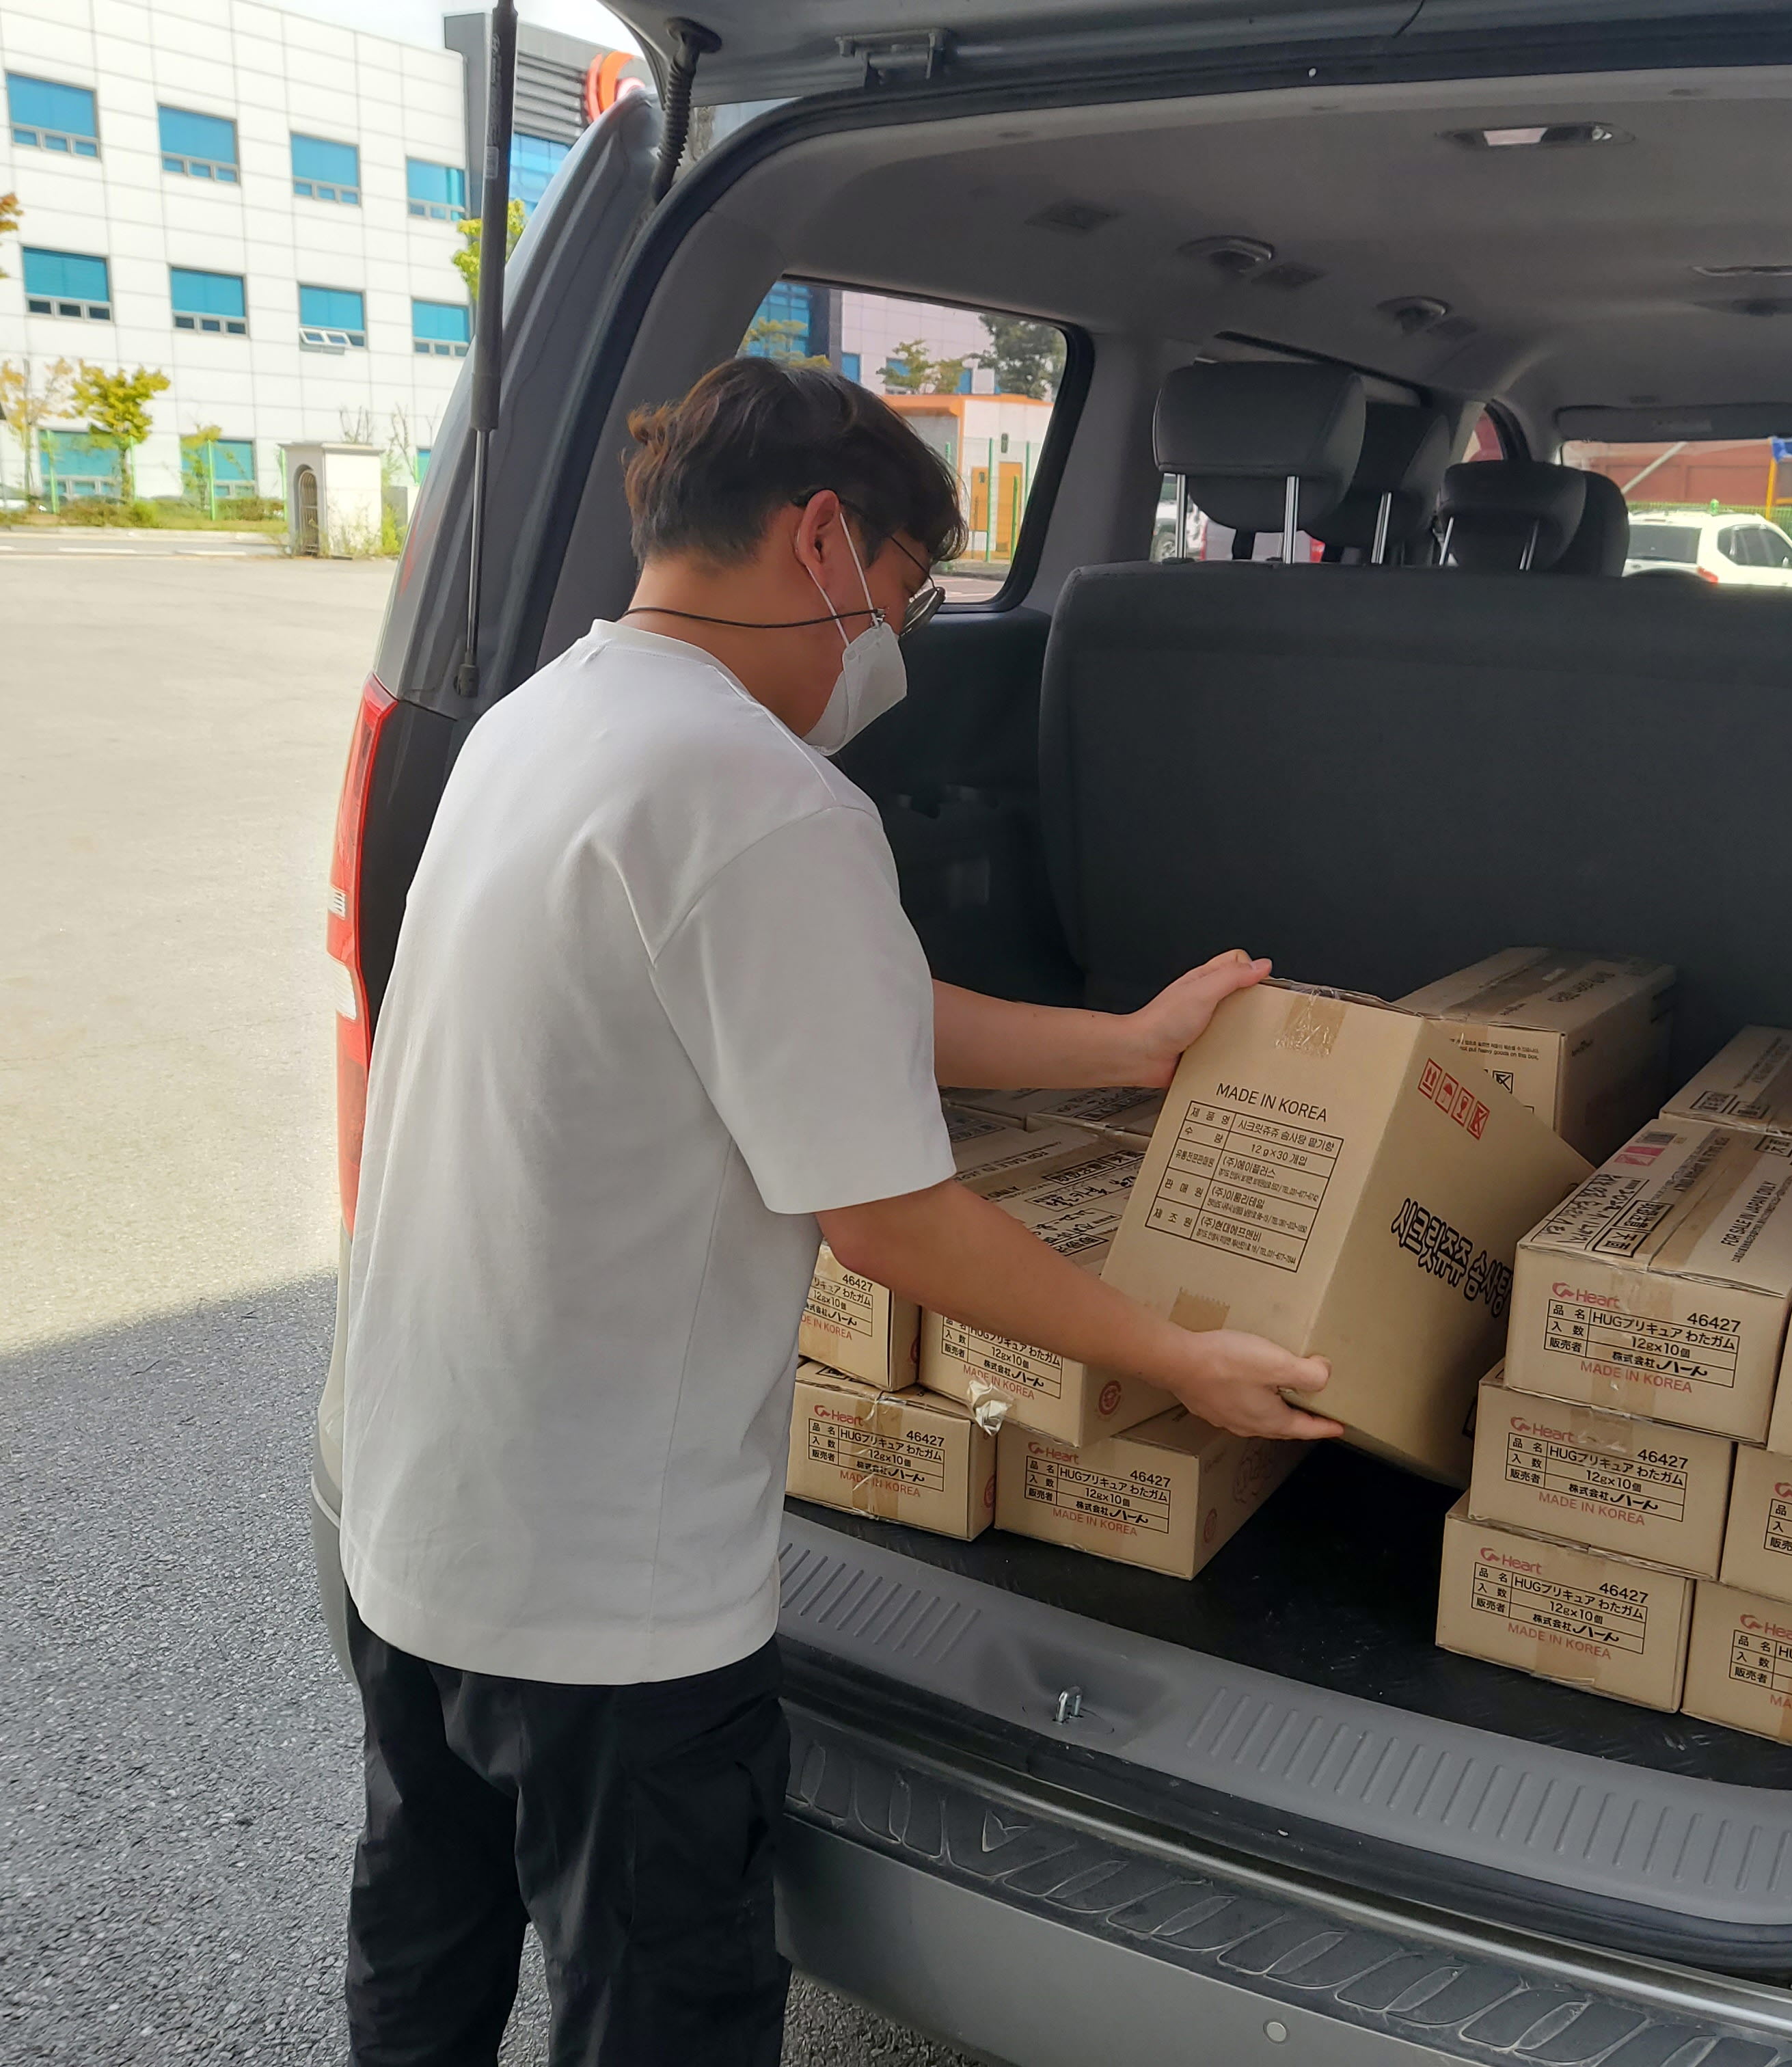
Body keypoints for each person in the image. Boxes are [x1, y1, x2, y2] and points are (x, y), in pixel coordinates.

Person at [336, 356, 1338, 2066]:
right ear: (819, 539)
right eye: (905, 591)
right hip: (609, 1604)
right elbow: (894, 1224)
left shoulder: (544, 719)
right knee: (660, 2006)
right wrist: (1178, 1356)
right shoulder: (760, 796)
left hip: (415, 1520)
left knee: (425, 1955)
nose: (895, 643)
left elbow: (821, 998)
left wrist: (1123, 1048)